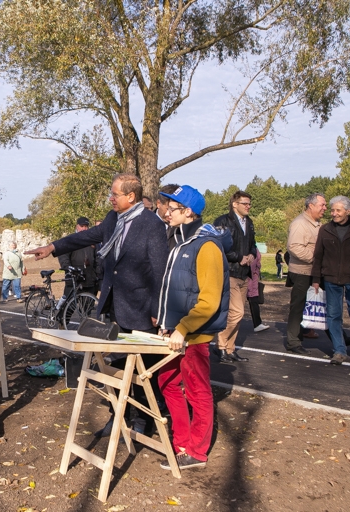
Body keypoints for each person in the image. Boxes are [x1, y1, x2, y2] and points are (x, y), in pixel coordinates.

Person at [27, 173, 167, 435]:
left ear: (131, 197)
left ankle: (143, 422)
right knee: (115, 366)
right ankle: (118, 416)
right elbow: (86, 236)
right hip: (113, 306)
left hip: (140, 309)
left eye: (115, 194)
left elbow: (159, 271)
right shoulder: (114, 219)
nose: (110, 198)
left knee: (142, 371)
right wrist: (52, 247)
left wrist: (158, 311)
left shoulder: (151, 224)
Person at [157, 185, 229, 470]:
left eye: (172, 208)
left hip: (192, 336)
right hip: (172, 332)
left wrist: (183, 328)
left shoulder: (207, 246)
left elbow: (209, 301)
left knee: (198, 390)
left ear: (188, 212)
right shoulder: (178, 241)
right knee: (167, 384)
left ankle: (196, 451)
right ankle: (180, 442)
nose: (166, 212)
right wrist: (162, 319)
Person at [311, 196, 350, 364]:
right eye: (332, 210)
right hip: (330, 279)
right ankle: (339, 350)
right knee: (333, 315)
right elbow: (318, 255)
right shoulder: (325, 229)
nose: (334, 213)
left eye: (338, 210)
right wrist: (316, 278)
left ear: (348, 211)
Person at [213, 191, 257, 363]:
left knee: (239, 315)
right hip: (229, 272)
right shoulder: (223, 221)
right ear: (234, 204)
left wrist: (252, 255)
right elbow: (218, 245)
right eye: (245, 203)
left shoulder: (249, 223)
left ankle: (230, 349)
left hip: (243, 274)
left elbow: (252, 244)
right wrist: (239, 257)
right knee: (236, 312)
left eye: (249, 204)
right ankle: (221, 346)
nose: (248, 206)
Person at [285, 193, 327, 354]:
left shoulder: (317, 224)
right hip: (302, 272)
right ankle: (293, 341)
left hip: (314, 271)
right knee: (298, 306)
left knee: (321, 304)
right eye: (322, 205)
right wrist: (316, 260)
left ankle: (340, 339)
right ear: (311, 206)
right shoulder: (300, 224)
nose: (325, 208)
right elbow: (294, 247)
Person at [57, 217, 97, 297]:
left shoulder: (92, 241)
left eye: (86, 226)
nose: (84, 229)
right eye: (82, 226)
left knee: (87, 308)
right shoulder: (70, 240)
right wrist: (69, 269)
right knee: (69, 307)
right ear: (77, 226)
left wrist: (97, 273)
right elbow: (63, 255)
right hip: (74, 279)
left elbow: (97, 258)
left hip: (89, 280)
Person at [247, 255, 269, 333]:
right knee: (253, 301)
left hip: (250, 278)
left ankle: (257, 323)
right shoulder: (253, 249)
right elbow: (254, 264)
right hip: (252, 278)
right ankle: (257, 324)